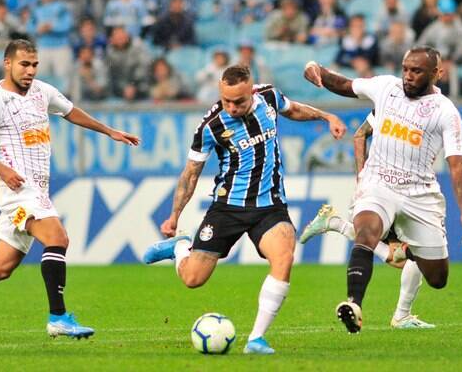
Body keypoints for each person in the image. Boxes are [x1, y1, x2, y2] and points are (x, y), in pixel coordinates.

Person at [0, 39, 140, 338]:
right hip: (17, 193)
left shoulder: (42, 91)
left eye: (34, 65)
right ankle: (58, 317)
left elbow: (70, 111)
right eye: (24, 65)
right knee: (57, 236)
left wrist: (110, 131)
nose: (30, 71)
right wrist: (1, 169)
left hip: (37, 192)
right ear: (7, 64)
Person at [142, 64, 346, 354]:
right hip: (227, 208)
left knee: (284, 258)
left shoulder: (269, 97)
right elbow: (190, 174)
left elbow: (294, 109)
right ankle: (180, 247)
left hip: (270, 206)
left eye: (239, 101)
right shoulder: (210, 126)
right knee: (192, 279)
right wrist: (175, 216)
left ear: (251, 91)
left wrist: (327, 115)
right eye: (226, 101)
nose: (232, 107)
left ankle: (256, 339)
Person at [303, 46, 462, 333]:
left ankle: (338, 225)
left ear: (438, 73)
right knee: (366, 232)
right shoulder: (386, 87)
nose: (408, 76)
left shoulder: (446, 112)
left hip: (420, 194)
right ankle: (354, 304)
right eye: (405, 69)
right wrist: (317, 71)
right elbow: (346, 85)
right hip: (379, 184)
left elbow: (457, 164)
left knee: (437, 278)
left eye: (416, 71)